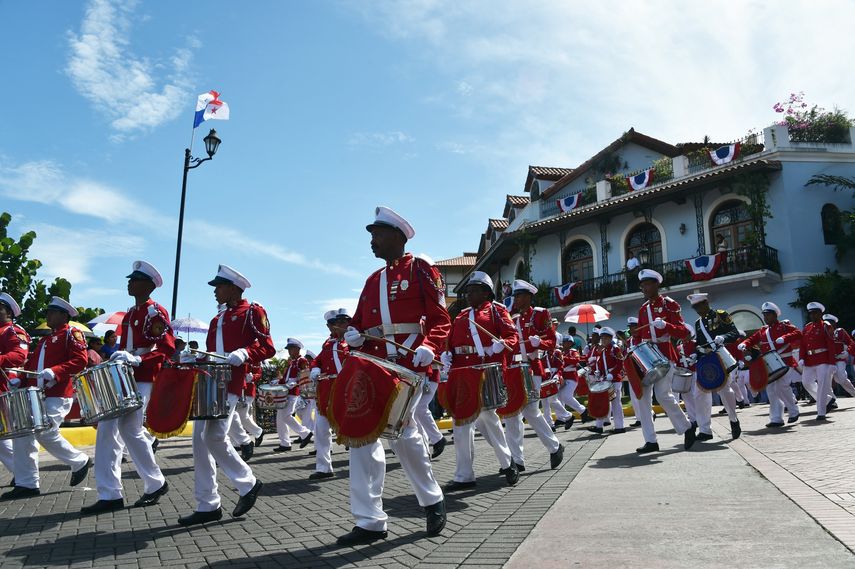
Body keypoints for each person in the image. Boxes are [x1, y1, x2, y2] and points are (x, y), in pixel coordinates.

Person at [337, 205, 448, 545]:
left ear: (397, 237)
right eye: (371, 236)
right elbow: (357, 320)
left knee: (404, 436)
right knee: (362, 438)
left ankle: (431, 499)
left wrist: (432, 346)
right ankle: (369, 521)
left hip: (408, 367)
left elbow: (442, 318)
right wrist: (353, 333)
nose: (373, 241)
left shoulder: (420, 269)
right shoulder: (372, 280)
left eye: (378, 235)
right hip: (374, 367)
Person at [177, 265, 272, 526]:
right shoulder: (217, 319)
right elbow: (213, 354)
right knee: (199, 441)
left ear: (233, 288)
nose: (215, 291)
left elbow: (267, 346)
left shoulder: (252, 311)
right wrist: (195, 357)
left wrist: (246, 353)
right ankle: (207, 503)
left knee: (214, 436)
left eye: (219, 287)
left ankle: (248, 483)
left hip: (230, 384)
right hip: (209, 383)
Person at [82, 261, 172, 514]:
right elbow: (128, 346)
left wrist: (138, 359)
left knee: (122, 429)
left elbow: (166, 348)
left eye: (134, 280)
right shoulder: (131, 313)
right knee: (121, 430)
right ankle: (142, 486)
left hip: (142, 376)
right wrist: (119, 356)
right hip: (125, 376)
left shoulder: (155, 311)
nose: (129, 283)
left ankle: (125, 490)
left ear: (147, 285)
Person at [4, 297, 92, 499]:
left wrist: (56, 371)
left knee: (44, 432)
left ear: (63, 315)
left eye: (52, 312)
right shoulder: (45, 340)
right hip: (38, 394)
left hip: (58, 394)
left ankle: (79, 461)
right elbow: (32, 368)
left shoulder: (71, 333)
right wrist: (21, 380)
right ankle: (27, 483)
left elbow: (81, 360)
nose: (48, 316)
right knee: (25, 433)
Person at [441, 271, 519, 490]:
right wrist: (446, 354)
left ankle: (507, 462)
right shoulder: (462, 315)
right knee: (461, 424)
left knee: (487, 417)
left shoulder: (497, 311)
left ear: (486, 292)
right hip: (461, 372)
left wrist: (500, 344)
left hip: (484, 370)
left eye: (474, 290)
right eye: (467, 290)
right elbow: (451, 341)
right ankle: (464, 475)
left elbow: (512, 336)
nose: (469, 294)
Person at [503, 279, 564, 471]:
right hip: (514, 369)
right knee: (512, 414)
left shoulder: (540, 314)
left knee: (530, 411)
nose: (516, 299)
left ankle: (555, 447)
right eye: (515, 296)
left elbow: (552, 342)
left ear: (529, 297)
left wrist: (540, 344)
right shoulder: (513, 319)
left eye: (519, 296)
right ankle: (517, 459)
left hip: (532, 368)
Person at [632, 269, 695, 454]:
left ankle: (687, 427)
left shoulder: (669, 305)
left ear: (656, 285)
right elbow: (641, 335)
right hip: (646, 357)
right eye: (642, 286)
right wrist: (634, 341)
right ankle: (650, 440)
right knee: (642, 398)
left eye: (647, 284)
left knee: (663, 395)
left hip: (665, 355)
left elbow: (684, 332)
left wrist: (666, 326)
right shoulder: (643, 309)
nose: (644, 288)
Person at [687, 293, 742, 440]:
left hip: (721, 358)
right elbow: (699, 343)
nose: (698, 310)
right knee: (699, 394)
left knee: (725, 391)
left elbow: (735, 333)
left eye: (699, 306)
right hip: (706, 361)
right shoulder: (698, 323)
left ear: (706, 303)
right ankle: (705, 430)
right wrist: (695, 355)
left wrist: (723, 337)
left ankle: (733, 420)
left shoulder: (721, 314)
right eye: (695, 308)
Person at [738, 302, 801, 428]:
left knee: (783, 387)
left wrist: (785, 338)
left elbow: (798, 333)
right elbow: (752, 339)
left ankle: (793, 411)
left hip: (785, 362)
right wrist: (744, 344)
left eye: (768, 315)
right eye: (764, 315)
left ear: (774, 315)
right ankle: (776, 418)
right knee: (771, 390)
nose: (765, 318)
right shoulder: (763, 330)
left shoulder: (783, 327)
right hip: (770, 364)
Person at [308, 308, 351, 479]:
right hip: (326, 391)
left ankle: (363, 464)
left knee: (354, 428)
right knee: (321, 429)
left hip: (347, 390)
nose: (333, 328)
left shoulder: (354, 341)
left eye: (338, 324)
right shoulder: (328, 343)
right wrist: (315, 367)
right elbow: (318, 359)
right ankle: (323, 468)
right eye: (331, 324)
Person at [0, 293, 28, 483]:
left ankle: (21, 474)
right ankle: (20, 473)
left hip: (5, 388)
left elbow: (19, 356)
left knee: (4, 436)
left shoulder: (13, 331)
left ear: (8, 312)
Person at [272, 338, 313, 452]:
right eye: (289, 349)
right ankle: (285, 443)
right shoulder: (291, 362)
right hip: (285, 392)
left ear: (298, 349)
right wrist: (277, 382)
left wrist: (294, 382)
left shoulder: (302, 360)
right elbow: (286, 377)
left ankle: (305, 433)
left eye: (291, 349)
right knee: (280, 418)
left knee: (286, 415)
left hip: (293, 393)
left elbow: (305, 376)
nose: (289, 351)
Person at [799, 302, 836, 421]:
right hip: (809, 360)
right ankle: (828, 400)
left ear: (820, 313)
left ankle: (821, 412)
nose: (812, 315)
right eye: (810, 313)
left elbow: (831, 345)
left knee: (822, 386)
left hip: (823, 359)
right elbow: (803, 345)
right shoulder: (807, 327)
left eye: (815, 313)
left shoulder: (826, 326)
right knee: (806, 382)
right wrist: (801, 358)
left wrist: (832, 363)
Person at [586, 327, 625, 435]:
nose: (603, 340)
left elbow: (620, 363)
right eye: (602, 337)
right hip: (604, 379)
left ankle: (619, 427)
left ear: (610, 338)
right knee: (601, 402)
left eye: (606, 338)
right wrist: (596, 371)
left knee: (616, 403)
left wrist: (612, 374)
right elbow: (599, 364)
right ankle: (599, 426)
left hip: (614, 379)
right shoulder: (601, 349)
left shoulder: (615, 348)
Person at [822, 314, 855, 401]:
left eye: (830, 322)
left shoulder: (840, 332)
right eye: (825, 323)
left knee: (841, 378)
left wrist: (847, 352)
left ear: (834, 324)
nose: (827, 324)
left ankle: (853, 392)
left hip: (839, 358)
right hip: (827, 360)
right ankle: (831, 399)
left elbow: (851, 343)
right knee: (827, 380)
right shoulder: (821, 332)